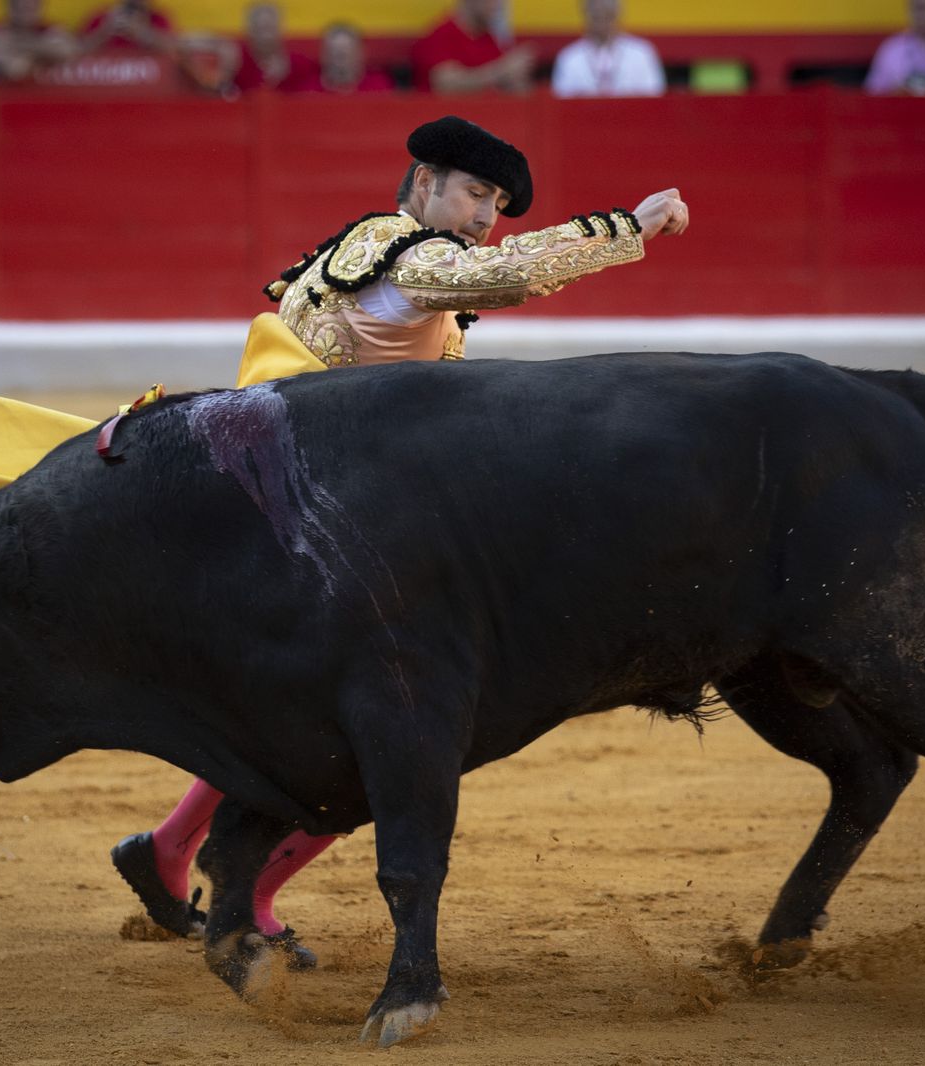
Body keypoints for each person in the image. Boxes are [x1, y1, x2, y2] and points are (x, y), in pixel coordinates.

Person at [109, 116, 690, 964]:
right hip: (318, 531)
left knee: (299, 720)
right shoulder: (402, 250)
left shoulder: (375, 261)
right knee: (396, 725)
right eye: (475, 192)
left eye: (496, 202)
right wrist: (627, 230)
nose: (487, 214)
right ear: (423, 183)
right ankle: (254, 891)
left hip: (295, 518)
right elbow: (503, 276)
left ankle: (167, 851)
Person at [410, 0, 535, 94]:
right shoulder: (440, 36)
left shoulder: (490, 40)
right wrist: (501, 71)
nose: (497, 5)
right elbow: (445, 84)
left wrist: (516, 78)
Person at [551, 0, 664, 98]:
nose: (602, 23)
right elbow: (562, 100)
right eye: (596, 17)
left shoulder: (642, 54)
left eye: (607, 15)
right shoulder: (569, 58)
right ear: (586, 17)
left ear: (617, 16)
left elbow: (654, 96)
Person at [0, 0, 78, 82]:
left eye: (32, 4)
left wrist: (18, 47)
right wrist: (46, 53)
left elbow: (68, 50)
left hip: (45, 100)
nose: (26, 5)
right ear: (9, 6)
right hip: (1, 100)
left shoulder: (49, 28)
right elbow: (15, 69)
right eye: (20, 4)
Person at [227, 1, 316, 93]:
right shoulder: (236, 65)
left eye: (269, 28)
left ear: (280, 28)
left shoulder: (300, 65)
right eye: (259, 29)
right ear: (249, 30)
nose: (264, 36)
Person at [300, 21, 393, 94]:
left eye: (346, 53)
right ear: (323, 55)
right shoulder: (308, 91)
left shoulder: (378, 87)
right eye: (334, 52)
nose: (340, 61)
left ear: (361, 54)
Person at [78, 0, 173, 53]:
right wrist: (105, 32)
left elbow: (174, 50)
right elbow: (76, 51)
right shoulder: (103, 19)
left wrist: (143, 34)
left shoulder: (158, 19)